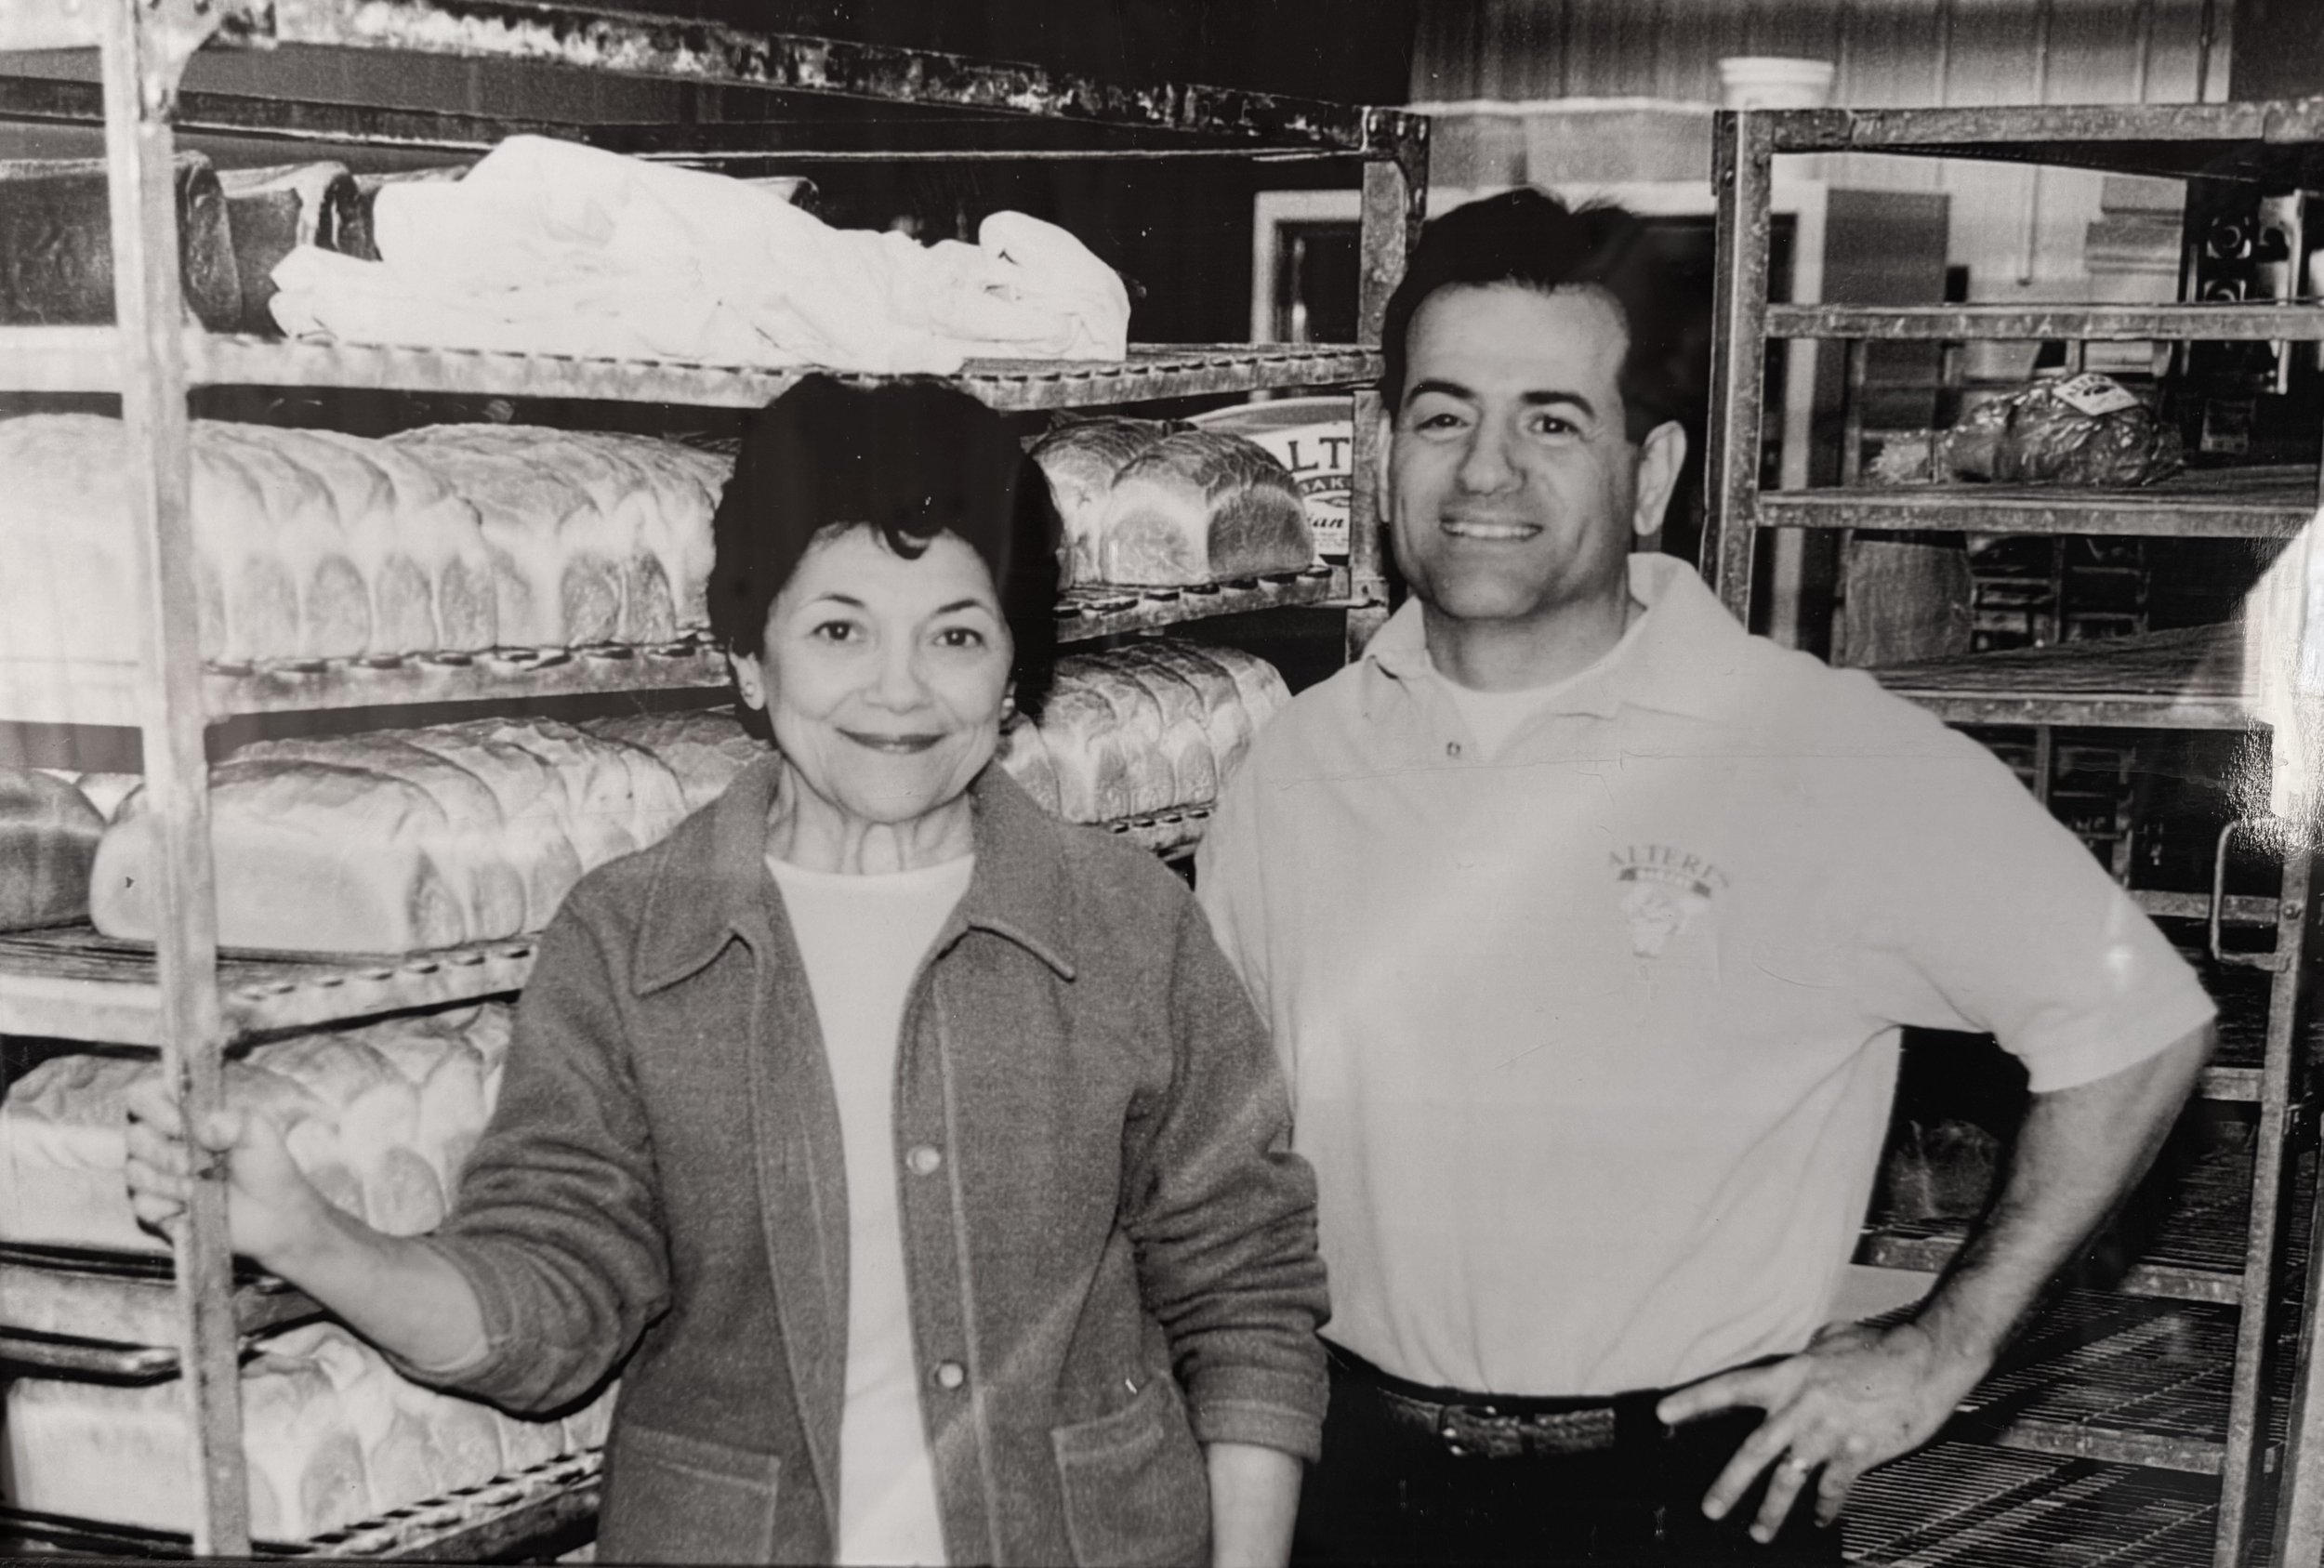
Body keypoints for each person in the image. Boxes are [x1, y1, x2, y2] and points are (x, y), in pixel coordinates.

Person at [125, 376, 1327, 1568]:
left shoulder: (1128, 928)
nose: (900, 690)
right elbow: (552, 1301)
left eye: (956, 634)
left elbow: (1249, 1297)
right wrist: (309, 1237)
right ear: (750, 657)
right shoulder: (631, 941)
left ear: (1013, 675)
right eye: (839, 629)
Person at [1193, 189, 2216, 1565]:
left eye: (1552, 421)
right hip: (1359, 1487)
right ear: (1381, 455)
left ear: (1653, 472)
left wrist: (1941, 1341)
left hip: (1684, 1502)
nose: (1486, 472)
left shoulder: (1813, 749)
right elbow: (1226, 1177)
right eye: (1444, 417)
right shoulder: (1293, 769)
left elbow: (2138, 1024)